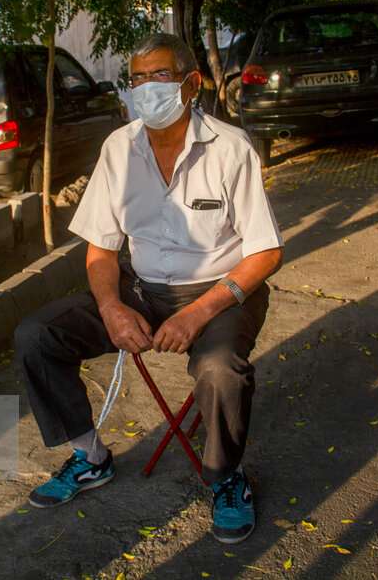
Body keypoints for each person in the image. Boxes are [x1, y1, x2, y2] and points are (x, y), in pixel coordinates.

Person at [17, 32, 283, 544]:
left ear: (191, 83)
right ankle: (89, 457)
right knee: (37, 334)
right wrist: (112, 305)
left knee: (219, 366)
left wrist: (199, 312)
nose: (145, 87)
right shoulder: (119, 148)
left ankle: (226, 479)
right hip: (141, 289)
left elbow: (266, 252)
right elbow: (99, 248)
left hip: (220, 290)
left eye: (158, 75)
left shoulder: (231, 148)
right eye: (136, 77)